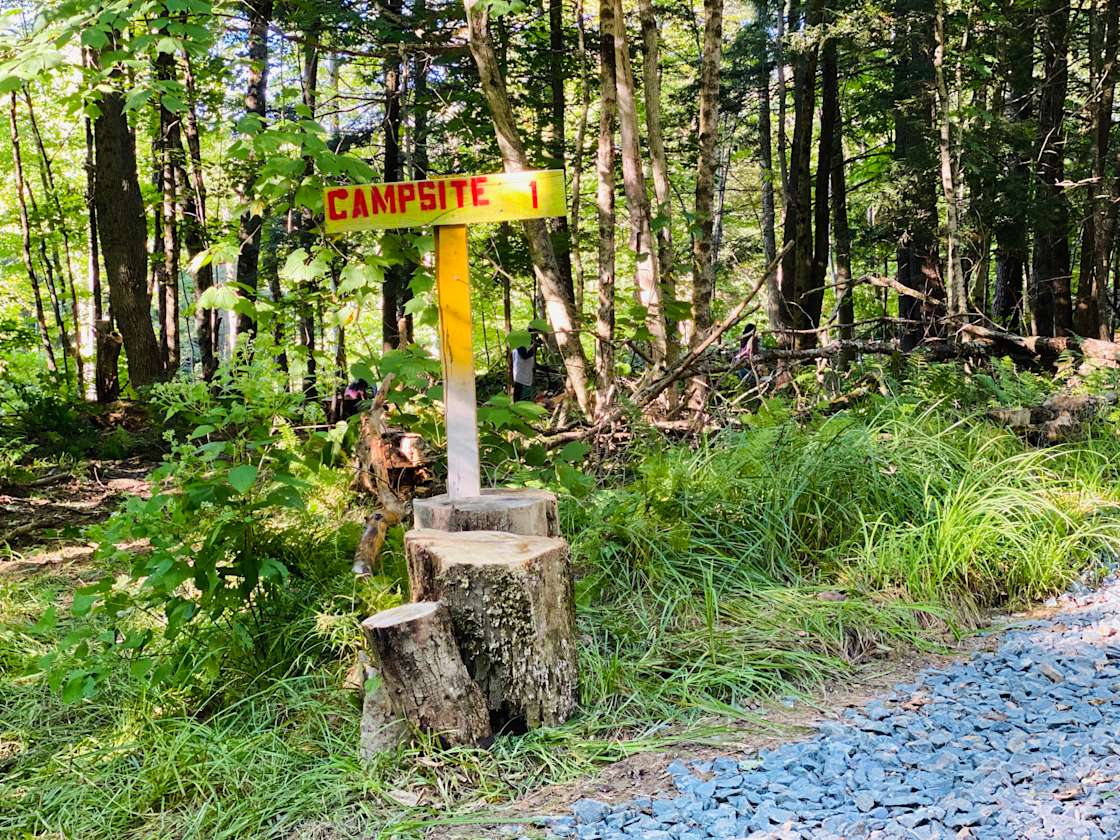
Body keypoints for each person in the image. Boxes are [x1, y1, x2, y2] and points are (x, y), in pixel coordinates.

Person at [512, 329, 540, 402]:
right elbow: (524, 356)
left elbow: (531, 361)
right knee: (521, 399)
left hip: (524, 377)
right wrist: (534, 347)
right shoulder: (520, 345)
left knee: (521, 398)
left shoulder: (526, 346)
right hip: (521, 378)